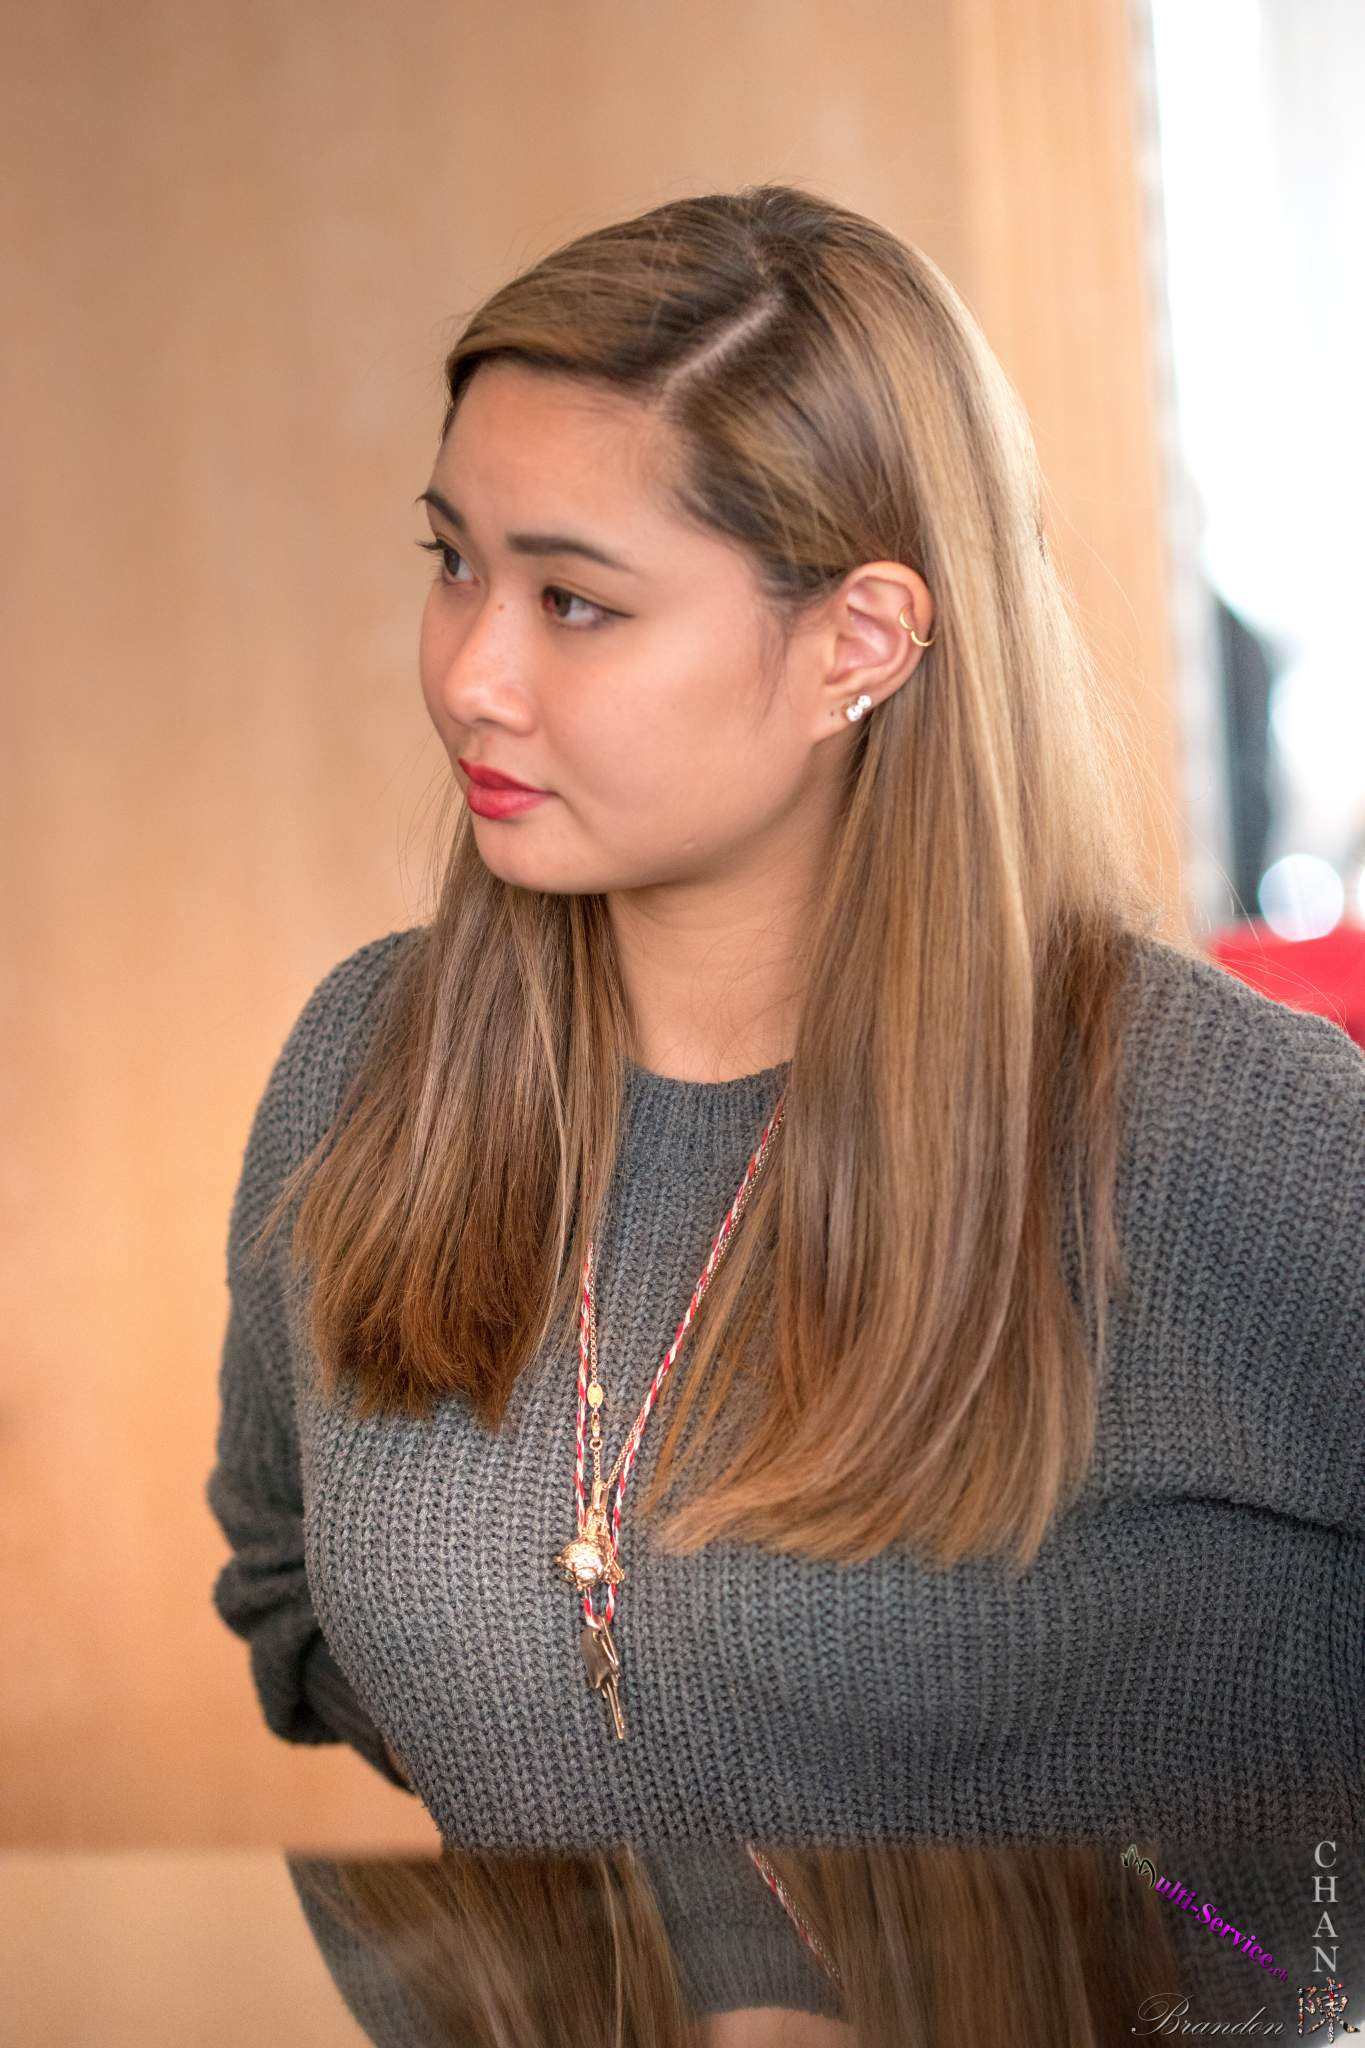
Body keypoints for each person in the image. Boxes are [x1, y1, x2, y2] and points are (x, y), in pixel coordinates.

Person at [206, 182, 1365, 2035]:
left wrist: (1166, 1972)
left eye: (573, 600)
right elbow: (294, 1603)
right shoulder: (366, 1072)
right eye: (452, 563)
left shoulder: (1236, 1135)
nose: (469, 674)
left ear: (860, 641)